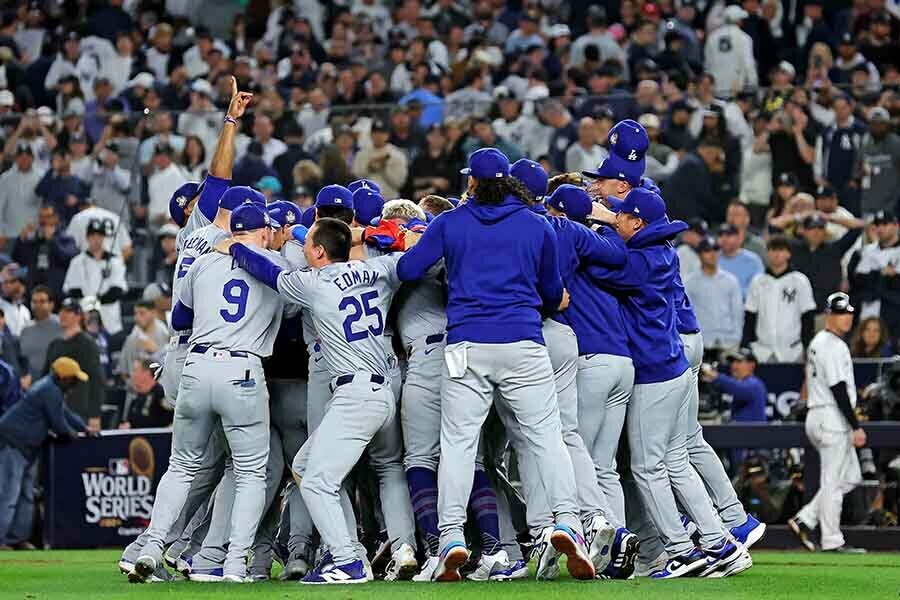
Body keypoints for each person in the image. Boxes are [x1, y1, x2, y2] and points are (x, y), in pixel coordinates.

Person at [395, 148, 595, 581]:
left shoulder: (450, 221)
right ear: (506, 181)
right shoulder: (536, 223)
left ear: (472, 182)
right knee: (547, 438)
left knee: (459, 443)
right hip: (523, 341)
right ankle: (568, 523)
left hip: (466, 343)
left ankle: (450, 535)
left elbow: (409, 270)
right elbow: (549, 291)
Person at [130, 204, 286, 583]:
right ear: (262, 231)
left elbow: (180, 320)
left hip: (197, 365)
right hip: (243, 369)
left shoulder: (202, 262)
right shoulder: (276, 264)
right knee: (250, 472)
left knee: (181, 466)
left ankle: (151, 546)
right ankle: (232, 564)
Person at [789, 292, 867, 554]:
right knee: (833, 483)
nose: (846, 318)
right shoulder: (830, 344)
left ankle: (806, 518)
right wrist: (856, 425)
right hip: (830, 416)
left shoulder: (821, 341)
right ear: (829, 315)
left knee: (851, 477)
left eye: (848, 312)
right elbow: (838, 389)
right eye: (840, 313)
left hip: (823, 416)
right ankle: (832, 541)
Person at [0, 357, 92, 548]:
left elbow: (65, 413)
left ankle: (16, 539)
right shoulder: (49, 390)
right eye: (73, 379)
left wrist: (84, 428)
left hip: (25, 449)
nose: (75, 384)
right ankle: (2, 540)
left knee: (25, 495)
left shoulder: (51, 388)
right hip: (13, 444)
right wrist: (73, 434)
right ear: (63, 377)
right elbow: (59, 424)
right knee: (9, 495)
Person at [742, 235, 817, 363]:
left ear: (788, 254)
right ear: (767, 253)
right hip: (762, 351)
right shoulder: (758, 281)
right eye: (772, 250)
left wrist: (807, 346)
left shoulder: (799, 280)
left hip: (793, 350)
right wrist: (747, 345)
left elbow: (808, 317)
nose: (776, 254)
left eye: (781, 250)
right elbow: (750, 316)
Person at [42, 298, 104, 431]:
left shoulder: (87, 344)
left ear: (78, 316)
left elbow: (96, 380)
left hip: (79, 409)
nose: (63, 315)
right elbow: (45, 377)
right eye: (61, 311)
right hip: (55, 408)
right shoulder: (55, 344)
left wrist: (95, 415)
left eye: (68, 311)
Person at [62, 219, 128, 335]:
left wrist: (95, 301)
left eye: (99, 235)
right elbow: (73, 290)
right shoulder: (77, 262)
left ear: (104, 238)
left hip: (109, 318)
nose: (96, 239)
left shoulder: (115, 261)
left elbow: (117, 291)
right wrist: (90, 304)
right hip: (84, 318)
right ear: (87, 238)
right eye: (92, 235)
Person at [684, 237, 744, 354]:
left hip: (728, 343)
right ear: (699, 255)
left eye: (716, 249)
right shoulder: (689, 282)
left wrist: (736, 339)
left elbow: (737, 313)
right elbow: (686, 316)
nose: (712, 254)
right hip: (701, 345)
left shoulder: (731, 280)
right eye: (707, 250)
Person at [853, 210, 900, 347]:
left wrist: (879, 277)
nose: (880, 229)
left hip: (893, 316)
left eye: (885, 224)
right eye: (877, 225)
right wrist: (883, 275)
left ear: (896, 226)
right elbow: (858, 282)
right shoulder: (866, 251)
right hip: (866, 314)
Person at [854, 107, 900, 217]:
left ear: (888, 125)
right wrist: (861, 172)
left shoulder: (896, 143)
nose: (877, 127)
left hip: (891, 204)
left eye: (881, 124)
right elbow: (856, 173)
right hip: (867, 203)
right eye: (873, 124)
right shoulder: (864, 143)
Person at [701, 348, 768, 423]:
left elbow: (738, 388)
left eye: (739, 362)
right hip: (740, 432)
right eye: (732, 362)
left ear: (751, 365)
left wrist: (712, 374)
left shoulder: (755, 384)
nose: (733, 366)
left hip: (754, 433)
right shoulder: (740, 383)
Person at [351, 119, 408, 200]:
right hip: (366, 199)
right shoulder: (362, 154)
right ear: (370, 134)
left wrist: (384, 169)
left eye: (382, 133)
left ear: (388, 135)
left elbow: (399, 183)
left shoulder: (396, 154)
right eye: (375, 133)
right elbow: (355, 177)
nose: (378, 136)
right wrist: (369, 168)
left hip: (390, 199)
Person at [118, 300, 169, 382]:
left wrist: (156, 352)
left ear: (153, 313)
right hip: (138, 389)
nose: (137, 317)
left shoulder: (165, 333)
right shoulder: (132, 339)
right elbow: (124, 371)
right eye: (135, 313)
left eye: (142, 313)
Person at [18, 286, 61, 381]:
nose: (37, 305)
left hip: (58, 382)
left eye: (42, 301)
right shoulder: (26, 330)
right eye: (34, 302)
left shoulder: (62, 325)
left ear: (51, 304)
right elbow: (23, 359)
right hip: (33, 385)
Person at [120, 359, 171, 430]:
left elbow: (170, 419)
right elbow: (131, 420)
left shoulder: (161, 394)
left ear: (146, 373)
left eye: (135, 371)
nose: (132, 374)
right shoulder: (136, 397)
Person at [717, 224, 764, 299]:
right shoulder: (712, 259)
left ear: (740, 238)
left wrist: (732, 293)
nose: (724, 238)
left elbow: (758, 288)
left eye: (729, 235)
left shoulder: (753, 260)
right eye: (721, 235)